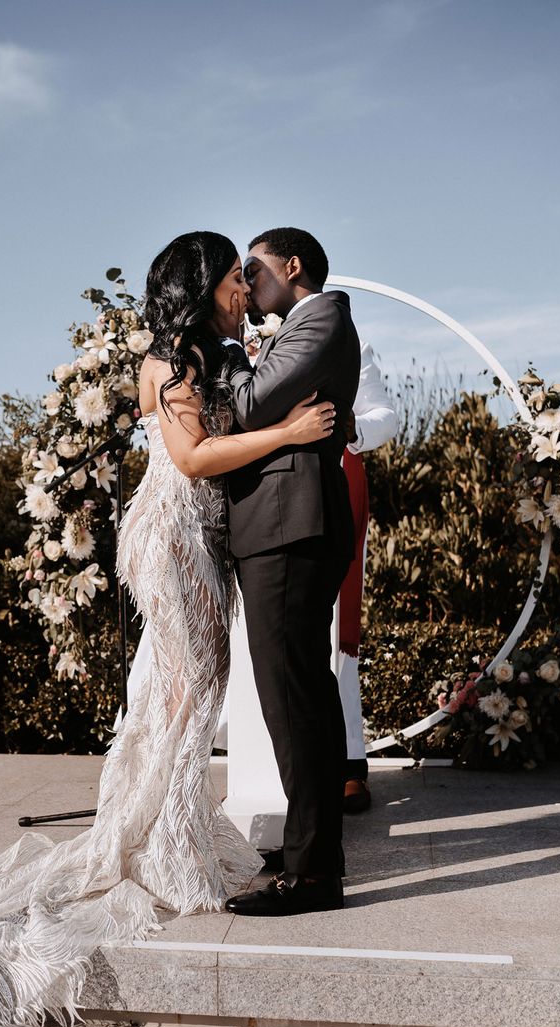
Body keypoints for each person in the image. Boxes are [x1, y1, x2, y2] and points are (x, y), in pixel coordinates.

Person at [0, 232, 337, 1027]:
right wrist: (289, 435)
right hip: (174, 536)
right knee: (193, 693)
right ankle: (159, 845)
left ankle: (166, 831)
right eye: (235, 279)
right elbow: (191, 457)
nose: (242, 292)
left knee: (184, 694)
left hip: (193, 536)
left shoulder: (196, 353)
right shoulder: (178, 361)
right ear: (204, 287)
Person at [223, 227, 361, 917]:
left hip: (291, 522)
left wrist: (228, 358)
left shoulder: (324, 316)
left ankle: (312, 876)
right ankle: (310, 845)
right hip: (284, 522)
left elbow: (245, 407)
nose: (246, 283)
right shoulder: (294, 330)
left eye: (255, 268)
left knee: (295, 695)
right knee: (295, 693)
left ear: (294, 266)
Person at [337, 342, 398, 812]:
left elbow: (384, 415)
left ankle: (348, 761)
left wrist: (351, 426)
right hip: (252, 486)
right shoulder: (230, 339)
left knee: (337, 626)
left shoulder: (347, 342)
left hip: (334, 480)